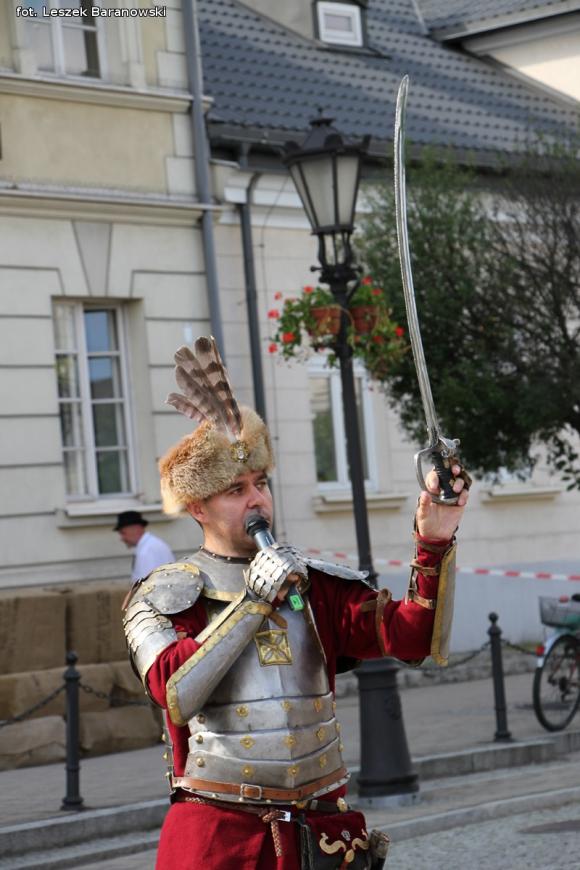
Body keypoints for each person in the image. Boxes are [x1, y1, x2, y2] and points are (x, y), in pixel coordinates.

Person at [123, 337, 469, 870]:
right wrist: (254, 601)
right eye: (236, 490)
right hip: (223, 835)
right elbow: (174, 692)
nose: (257, 499)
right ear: (197, 507)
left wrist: (435, 540)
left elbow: (414, 640)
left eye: (260, 483)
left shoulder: (314, 583)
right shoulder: (164, 593)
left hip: (322, 830)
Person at [114, 510, 174, 581]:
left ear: (136, 529)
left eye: (123, 533)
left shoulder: (147, 550)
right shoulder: (149, 545)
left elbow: (147, 585)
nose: (122, 538)